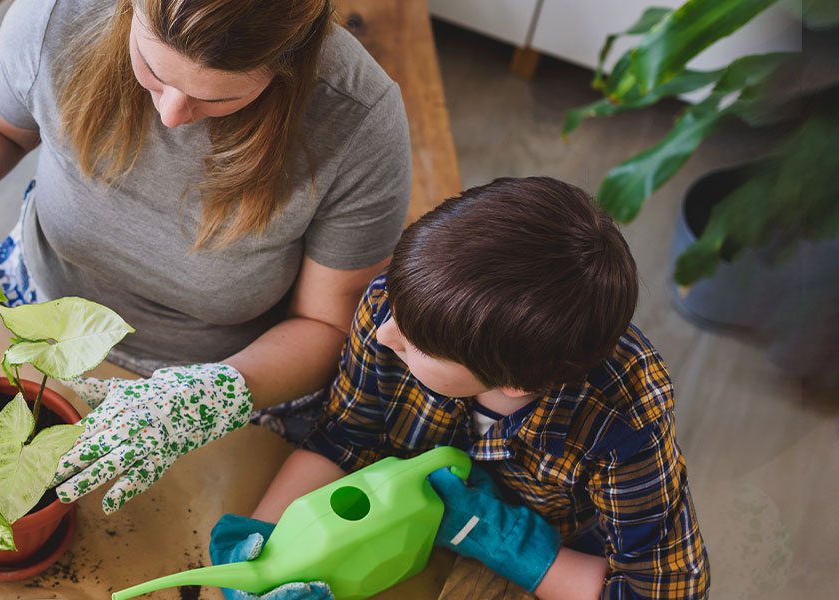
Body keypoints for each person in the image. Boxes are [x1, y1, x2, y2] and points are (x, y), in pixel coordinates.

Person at [0, 0, 412, 515]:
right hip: (34, 303)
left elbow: (326, 323)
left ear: (289, 63)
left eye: (217, 99)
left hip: (222, 379)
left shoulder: (357, 122)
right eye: (153, 69)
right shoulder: (63, 14)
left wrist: (213, 395)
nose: (173, 114)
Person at [213, 178, 709, 599]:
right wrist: (263, 540)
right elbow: (344, 436)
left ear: (519, 384)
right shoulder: (402, 305)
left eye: (417, 347)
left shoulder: (622, 418)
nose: (385, 335)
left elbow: (660, 589)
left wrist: (506, 541)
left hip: (557, 542)